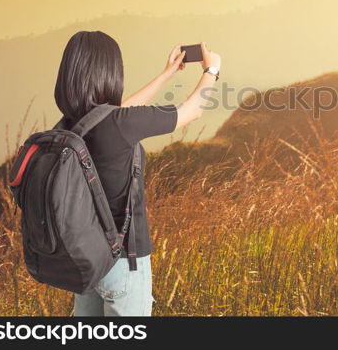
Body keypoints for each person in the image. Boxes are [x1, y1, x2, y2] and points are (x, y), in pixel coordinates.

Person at [52, 31, 221, 316]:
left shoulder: (69, 126)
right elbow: (192, 111)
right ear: (110, 72)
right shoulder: (119, 124)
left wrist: (166, 75)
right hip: (123, 262)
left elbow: (115, 112)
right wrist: (211, 70)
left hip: (86, 259)